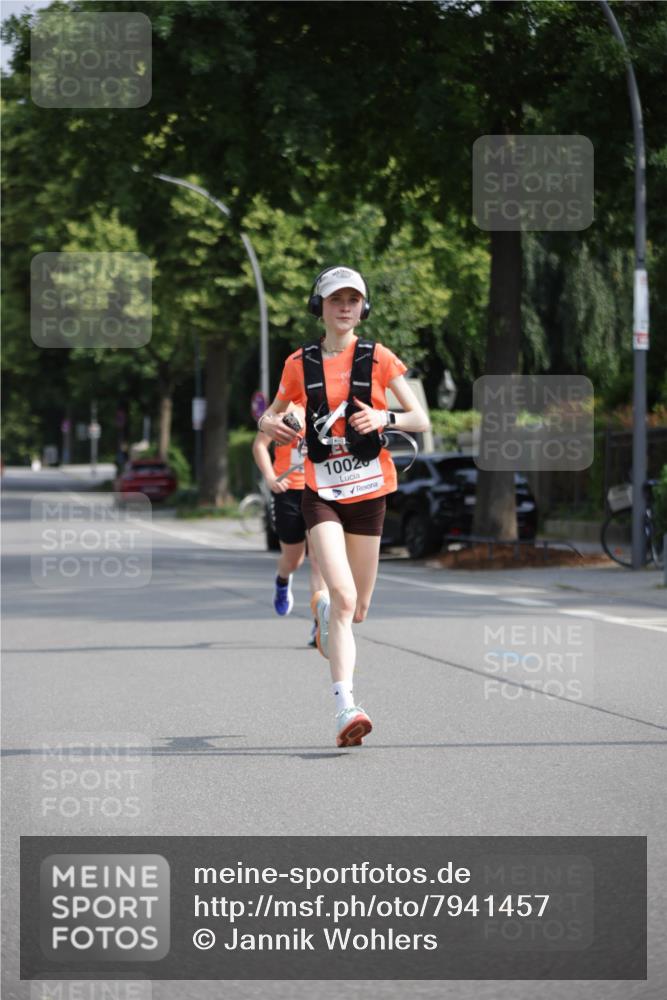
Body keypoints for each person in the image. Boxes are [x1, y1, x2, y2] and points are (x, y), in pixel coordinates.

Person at [258, 265, 430, 747]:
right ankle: (345, 708)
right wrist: (270, 425)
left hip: (371, 490)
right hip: (322, 493)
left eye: (354, 300)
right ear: (321, 306)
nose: (345, 307)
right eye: (336, 300)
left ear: (363, 308)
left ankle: (326, 619)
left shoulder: (379, 358)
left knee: (358, 611)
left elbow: (419, 417)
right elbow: (271, 414)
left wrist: (384, 415)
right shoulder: (300, 361)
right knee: (344, 597)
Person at [252, 403, 326, 646]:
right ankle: (282, 579)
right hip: (288, 491)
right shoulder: (283, 408)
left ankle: (319, 624)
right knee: (294, 560)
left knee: (320, 561)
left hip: (320, 489)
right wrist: (271, 478)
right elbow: (260, 446)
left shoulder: (329, 403)